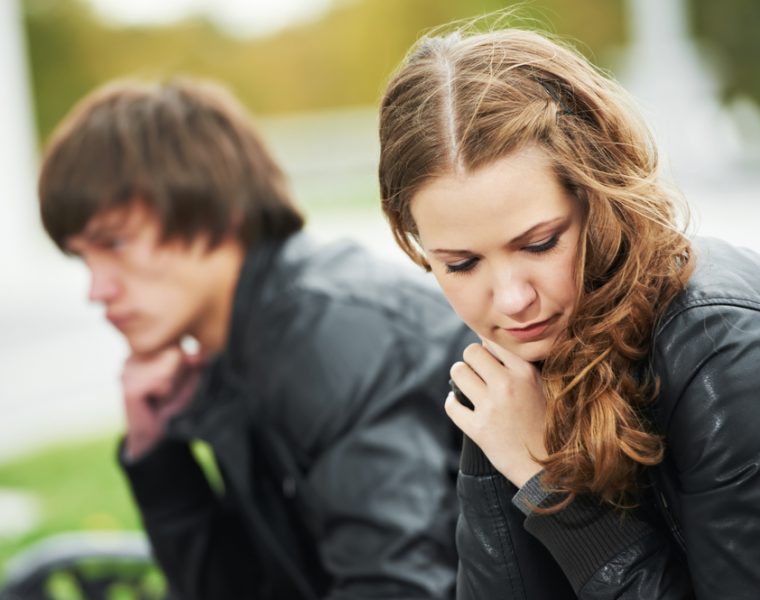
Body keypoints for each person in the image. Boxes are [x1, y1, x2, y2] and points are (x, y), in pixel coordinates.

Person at [38, 78, 476, 600]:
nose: (96, 289)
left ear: (216, 212)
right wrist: (158, 457)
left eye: (115, 243)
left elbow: (398, 589)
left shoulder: (330, 340)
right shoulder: (240, 344)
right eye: (83, 257)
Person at [378, 26, 760, 599]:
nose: (512, 299)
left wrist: (549, 483)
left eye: (539, 244)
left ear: (599, 200)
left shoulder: (720, 347)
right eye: (461, 264)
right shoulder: (512, 373)